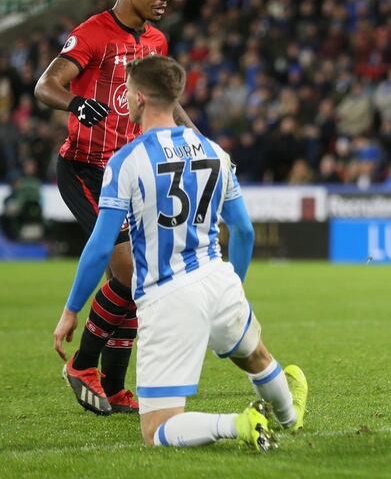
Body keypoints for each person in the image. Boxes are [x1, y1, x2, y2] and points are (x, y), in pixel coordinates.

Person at [51, 55, 307, 449]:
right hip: (219, 281)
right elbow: (243, 230)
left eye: (128, 92)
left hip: (167, 295)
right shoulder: (215, 151)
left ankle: (239, 424)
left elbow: (102, 245)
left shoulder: (126, 161)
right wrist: (234, 287)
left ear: (140, 97)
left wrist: (71, 309)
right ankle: (290, 417)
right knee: (255, 356)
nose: (126, 100)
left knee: (156, 430)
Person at [34, 0, 196, 415]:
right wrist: (75, 103)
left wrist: (195, 138)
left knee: (129, 284)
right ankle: (83, 364)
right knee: (128, 272)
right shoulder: (92, 34)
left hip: (131, 172)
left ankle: (114, 385)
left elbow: (165, 101)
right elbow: (46, 85)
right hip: (86, 168)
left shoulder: (157, 41)